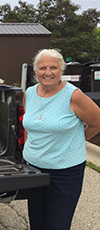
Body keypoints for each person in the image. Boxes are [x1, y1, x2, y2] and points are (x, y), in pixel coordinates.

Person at [23, 49, 100, 230]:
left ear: (61, 70)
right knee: (37, 221)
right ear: (35, 71)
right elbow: (29, 126)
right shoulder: (29, 94)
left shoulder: (74, 96)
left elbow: (97, 122)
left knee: (58, 224)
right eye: (42, 68)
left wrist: (75, 141)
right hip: (34, 169)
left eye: (53, 68)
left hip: (65, 173)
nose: (48, 72)